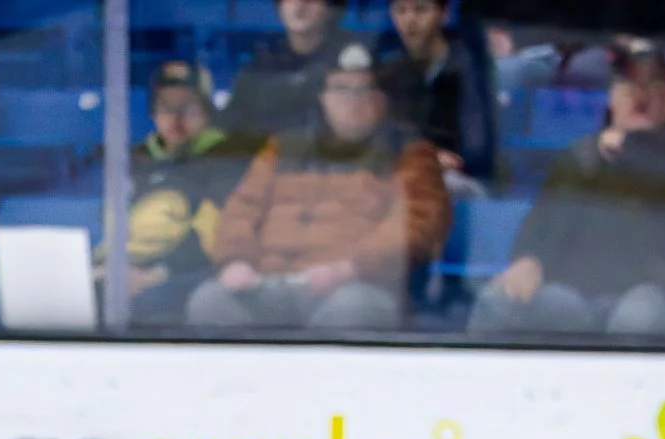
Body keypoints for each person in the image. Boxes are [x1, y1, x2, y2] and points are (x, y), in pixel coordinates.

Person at [469, 46, 665, 336]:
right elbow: (541, 222)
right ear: (611, 100)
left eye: (653, 85)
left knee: (635, 321)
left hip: (658, 290)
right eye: (629, 85)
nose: (640, 95)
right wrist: (529, 260)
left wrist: (634, 147)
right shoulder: (582, 154)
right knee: (497, 302)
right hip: (574, 294)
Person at [189, 45, 452, 331]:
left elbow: (417, 226)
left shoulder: (409, 153)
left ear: (382, 100)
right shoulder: (283, 148)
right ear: (323, 99)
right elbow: (241, 209)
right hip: (268, 283)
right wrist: (234, 260)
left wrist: (351, 268)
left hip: (356, 287)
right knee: (209, 302)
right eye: (341, 90)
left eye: (364, 90)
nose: (353, 101)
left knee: (353, 311)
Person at [126, 61, 264, 324]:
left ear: (206, 112)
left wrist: (156, 274)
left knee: (147, 306)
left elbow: (215, 236)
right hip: (131, 269)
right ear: (153, 114)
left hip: (190, 272)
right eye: (166, 108)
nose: (175, 119)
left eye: (187, 108)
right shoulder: (136, 161)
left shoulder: (227, 159)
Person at [374, 0, 500, 190]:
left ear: (445, 14)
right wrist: (426, 159)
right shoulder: (389, 74)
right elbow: (382, 140)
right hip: (407, 172)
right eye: (400, 10)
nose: (410, 20)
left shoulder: (469, 70)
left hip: (460, 179)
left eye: (420, 9)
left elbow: (476, 147)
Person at [227, 0, 369, 136]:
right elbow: (232, 122)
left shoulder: (354, 58)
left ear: (331, 9)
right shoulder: (262, 61)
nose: (299, 6)